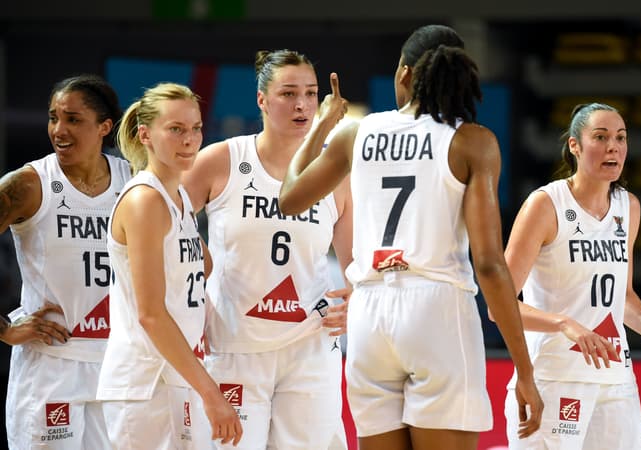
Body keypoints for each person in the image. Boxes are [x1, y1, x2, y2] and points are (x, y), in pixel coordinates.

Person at [279, 24, 543, 450]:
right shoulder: (471, 142)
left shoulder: (355, 133)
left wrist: (319, 128)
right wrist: (525, 372)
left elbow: (290, 198)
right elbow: (491, 265)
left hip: (369, 314)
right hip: (436, 309)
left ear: (403, 74)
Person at [181, 49, 351, 450]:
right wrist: (196, 268)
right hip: (234, 343)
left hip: (310, 344)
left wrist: (356, 300)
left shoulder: (336, 173)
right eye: (288, 93)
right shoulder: (222, 159)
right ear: (261, 99)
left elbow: (357, 264)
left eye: (311, 94)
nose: (302, 104)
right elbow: (162, 222)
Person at [500, 102, 641, 449]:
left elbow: (622, 295)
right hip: (555, 377)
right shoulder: (544, 205)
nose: (613, 147)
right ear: (575, 145)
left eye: (620, 138)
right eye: (600, 137)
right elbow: (499, 306)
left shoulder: (628, 207)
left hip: (615, 379)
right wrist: (563, 323)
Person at [95, 82, 242, 449]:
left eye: (195, 129)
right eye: (175, 129)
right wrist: (212, 393)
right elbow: (151, 315)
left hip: (175, 375)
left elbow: (203, 267)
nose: (189, 139)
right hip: (145, 384)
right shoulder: (145, 200)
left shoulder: (177, 197)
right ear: (145, 135)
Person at [0, 74, 129, 450]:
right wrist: (4, 329)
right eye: (54, 117)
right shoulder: (28, 184)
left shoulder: (134, 180)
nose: (59, 129)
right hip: (52, 365)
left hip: (116, 364)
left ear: (104, 127)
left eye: (73, 119)